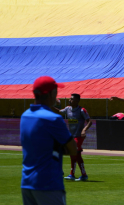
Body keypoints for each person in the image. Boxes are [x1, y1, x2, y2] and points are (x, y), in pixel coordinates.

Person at [21, 76, 77, 205]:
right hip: (48, 184)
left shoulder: (25, 116)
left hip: (27, 183)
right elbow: (73, 149)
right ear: (51, 93)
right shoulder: (53, 118)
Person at [54, 94, 92, 182]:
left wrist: (84, 130)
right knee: (77, 155)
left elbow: (89, 121)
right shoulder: (67, 109)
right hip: (71, 136)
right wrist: (49, 106)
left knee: (73, 153)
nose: (69, 100)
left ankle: (72, 174)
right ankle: (84, 175)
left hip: (79, 136)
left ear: (77, 101)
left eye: (72, 99)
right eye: (70, 99)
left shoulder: (82, 110)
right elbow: (59, 111)